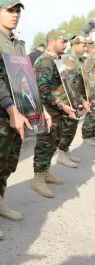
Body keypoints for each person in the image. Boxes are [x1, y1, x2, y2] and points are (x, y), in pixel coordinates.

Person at [0, 0, 51, 241]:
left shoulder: (18, 45)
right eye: (9, 10)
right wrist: (11, 110)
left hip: (19, 113)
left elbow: (25, 79)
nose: (15, 14)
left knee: (10, 162)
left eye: (18, 10)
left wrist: (40, 108)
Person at [32, 30, 79, 198]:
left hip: (58, 112)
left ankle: (46, 172)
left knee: (53, 142)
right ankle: (38, 179)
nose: (65, 44)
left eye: (67, 42)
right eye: (63, 41)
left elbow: (66, 85)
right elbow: (42, 89)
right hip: (48, 113)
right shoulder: (45, 61)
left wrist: (75, 102)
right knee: (45, 144)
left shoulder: (57, 60)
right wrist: (61, 105)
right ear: (52, 42)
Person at [55, 35, 93, 167]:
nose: (86, 48)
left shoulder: (78, 60)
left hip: (78, 100)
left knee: (72, 127)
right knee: (68, 128)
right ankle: (61, 154)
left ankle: (65, 152)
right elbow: (71, 86)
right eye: (83, 45)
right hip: (71, 101)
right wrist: (80, 101)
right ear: (75, 45)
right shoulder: (69, 61)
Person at [82, 43, 95, 145]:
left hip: (92, 87)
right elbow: (86, 75)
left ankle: (91, 133)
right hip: (91, 89)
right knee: (91, 111)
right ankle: (87, 136)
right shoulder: (89, 59)